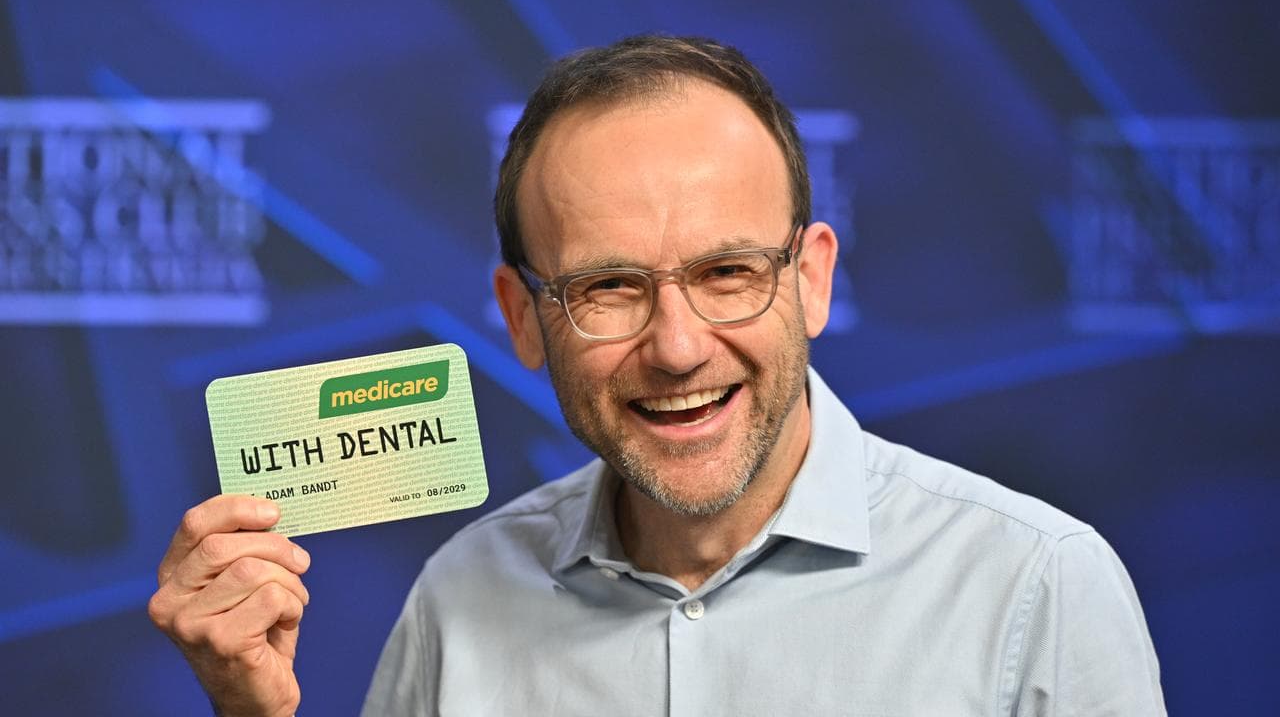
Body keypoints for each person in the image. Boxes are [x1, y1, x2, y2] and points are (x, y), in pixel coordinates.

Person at [149, 35, 1166, 716]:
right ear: (522, 319)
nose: (676, 346)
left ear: (810, 280)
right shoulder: (458, 601)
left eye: (727, 273)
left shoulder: (1034, 585)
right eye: (608, 289)